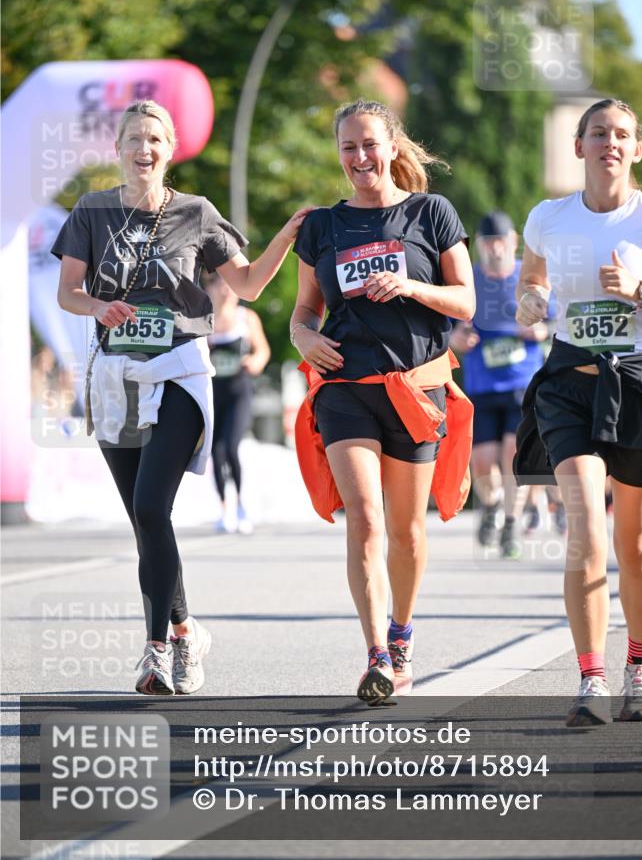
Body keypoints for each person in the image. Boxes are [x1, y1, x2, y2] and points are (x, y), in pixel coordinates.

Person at [53, 99, 310, 696]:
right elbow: (69, 291)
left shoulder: (196, 213)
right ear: (117, 148)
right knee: (146, 522)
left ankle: (156, 652)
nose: (145, 149)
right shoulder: (92, 211)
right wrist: (98, 306)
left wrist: (288, 237)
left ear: (171, 150)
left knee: (150, 506)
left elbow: (245, 284)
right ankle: (188, 629)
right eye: (134, 138)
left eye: (156, 139)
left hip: (180, 372)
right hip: (114, 373)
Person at [290, 98, 475, 704]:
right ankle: (374, 654)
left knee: (406, 532)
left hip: (416, 391)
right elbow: (303, 311)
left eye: (370, 144)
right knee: (364, 518)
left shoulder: (431, 213)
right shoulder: (323, 226)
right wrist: (302, 335)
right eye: (348, 147)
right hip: (346, 389)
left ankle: (401, 635)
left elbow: (466, 302)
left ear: (392, 146)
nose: (360, 157)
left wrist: (411, 286)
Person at [515, 98, 642, 726]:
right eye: (599, 132)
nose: (610, 142)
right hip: (570, 385)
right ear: (578, 146)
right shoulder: (549, 217)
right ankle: (591, 677)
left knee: (635, 544)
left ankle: (640, 665)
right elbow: (535, 283)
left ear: (636, 148)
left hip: (639, 386)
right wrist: (531, 301)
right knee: (586, 529)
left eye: (622, 134)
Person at [449, 211, 560, 558]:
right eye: (488, 242)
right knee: (482, 461)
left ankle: (511, 523)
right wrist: (457, 339)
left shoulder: (526, 277)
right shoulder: (470, 279)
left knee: (514, 455)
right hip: (482, 385)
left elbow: (555, 321)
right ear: (480, 247)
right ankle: (493, 506)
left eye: (501, 241)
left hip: (522, 384)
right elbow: (450, 328)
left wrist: (540, 331)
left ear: (513, 242)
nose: (495, 248)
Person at [207, 274, 270, 534]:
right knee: (215, 451)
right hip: (213, 392)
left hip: (239, 391)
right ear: (209, 288)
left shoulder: (246, 318)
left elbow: (263, 351)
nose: (226, 290)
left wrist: (256, 361)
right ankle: (225, 509)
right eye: (220, 284)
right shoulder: (203, 320)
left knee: (230, 446)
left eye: (229, 284)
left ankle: (243, 505)